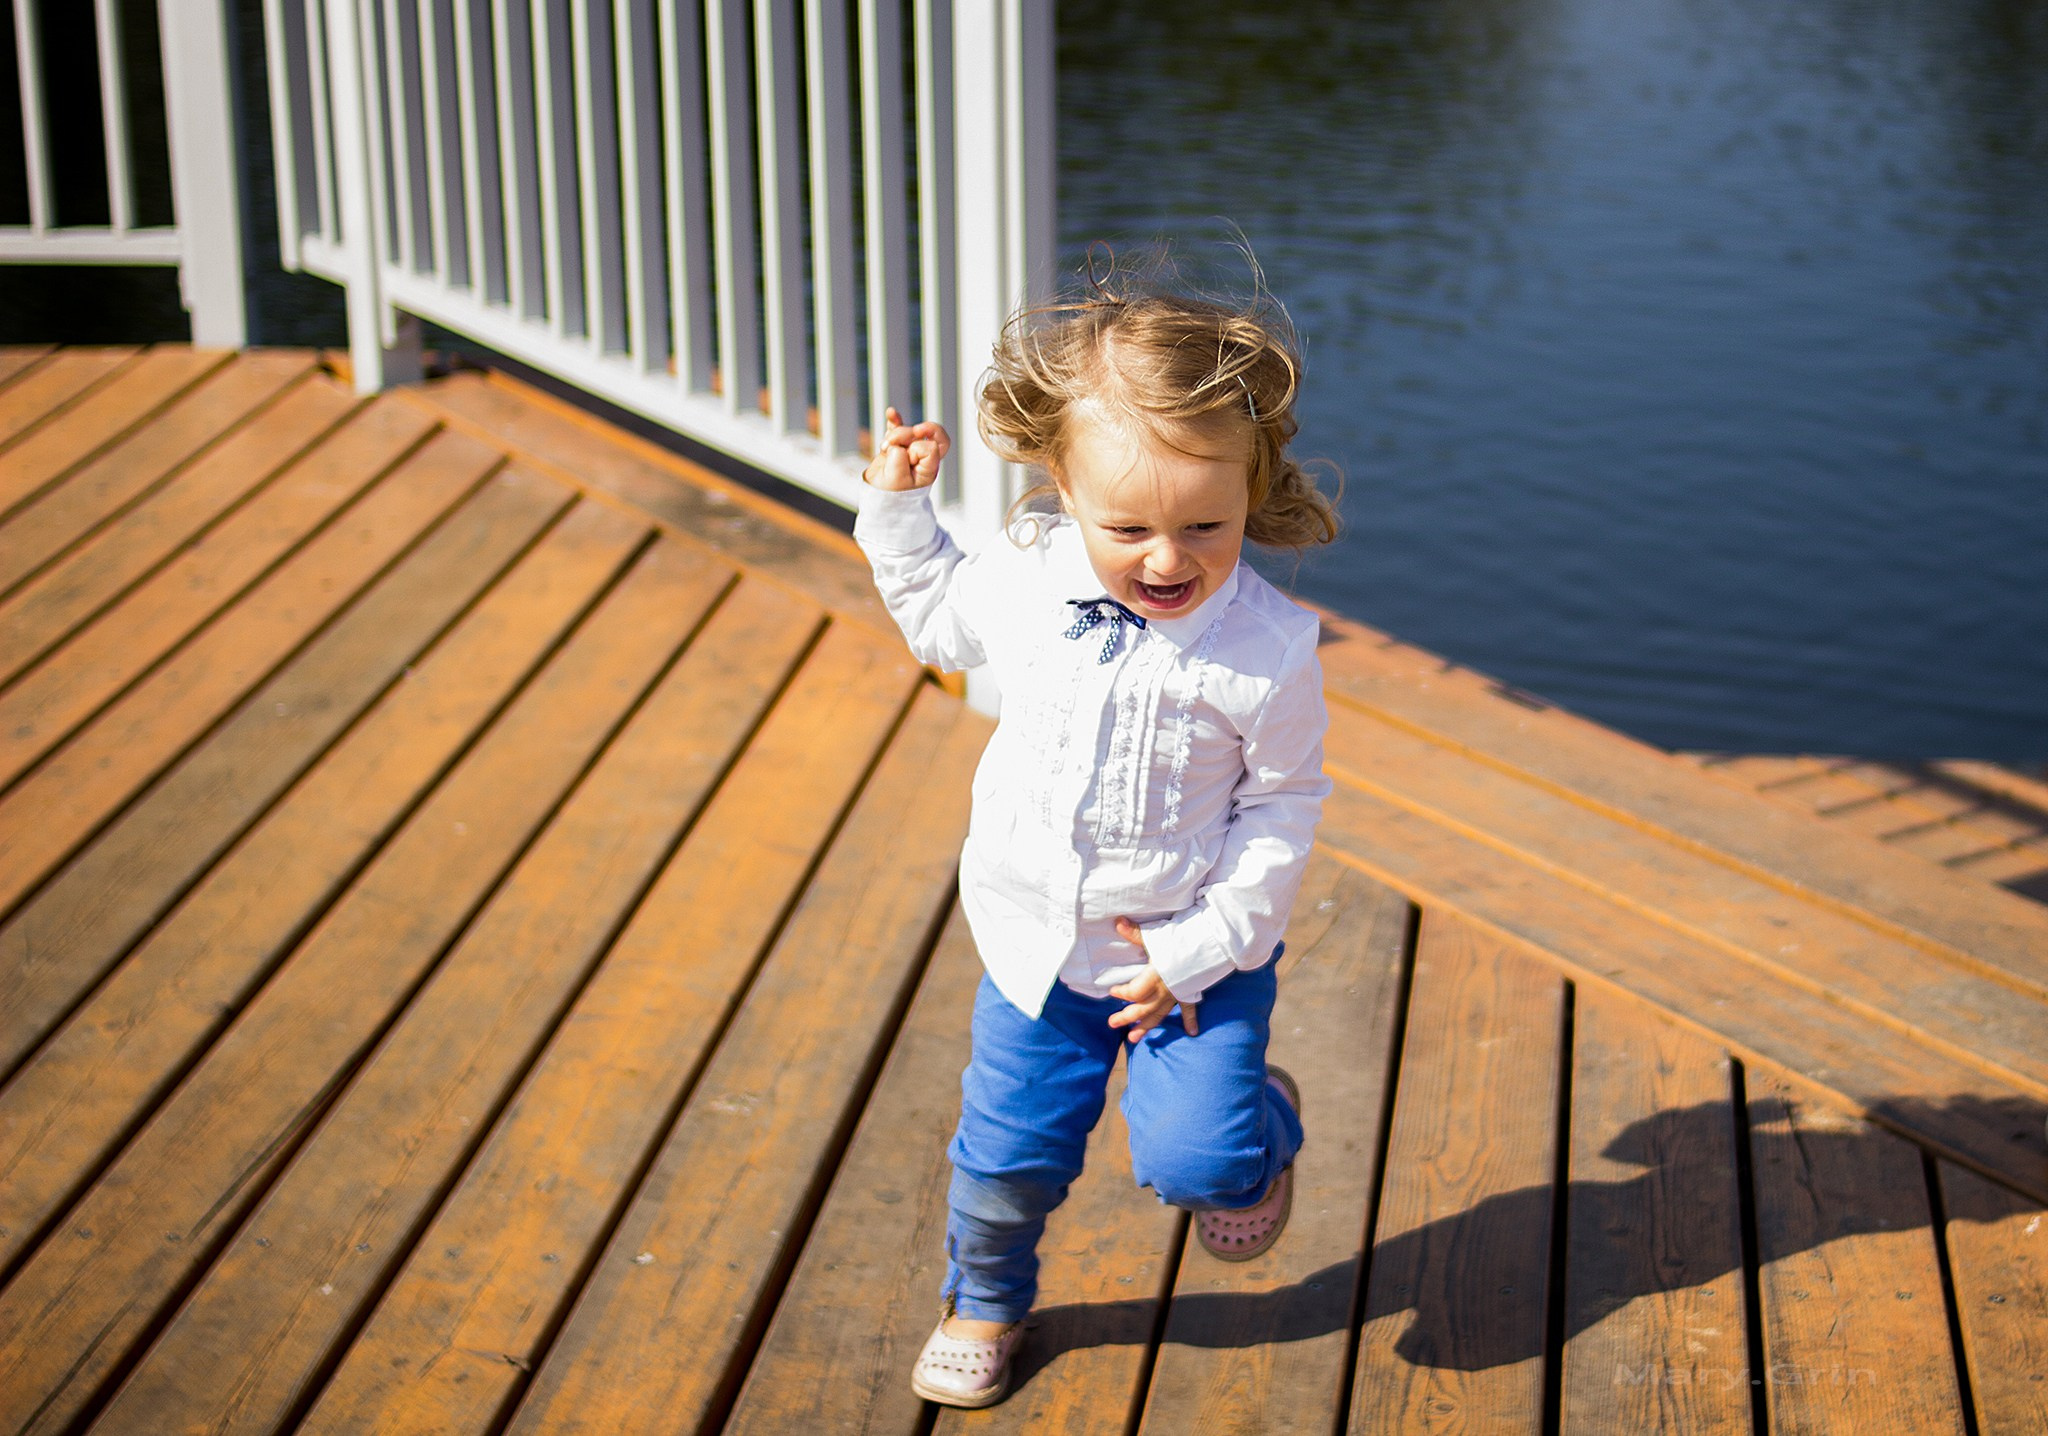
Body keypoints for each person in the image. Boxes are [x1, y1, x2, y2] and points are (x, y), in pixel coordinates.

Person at [854, 257, 1340, 1409]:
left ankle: (1258, 1128)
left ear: (1251, 486)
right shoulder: (1027, 580)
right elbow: (934, 614)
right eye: (1126, 526)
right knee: (1006, 1157)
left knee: (1195, 1161)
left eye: (1203, 526)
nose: (1166, 560)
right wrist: (895, 505)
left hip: (1191, 959)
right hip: (1037, 950)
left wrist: (1200, 948)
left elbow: (1282, 806)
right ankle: (983, 1298)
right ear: (1058, 487)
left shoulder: (1265, 648)